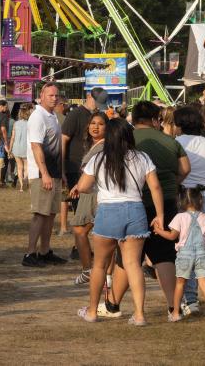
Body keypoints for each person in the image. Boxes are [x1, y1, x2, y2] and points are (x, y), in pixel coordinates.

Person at [71, 119, 163, 325]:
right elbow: (155, 187)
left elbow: (83, 186)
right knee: (133, 265)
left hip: (108, 211)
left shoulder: (99, 158)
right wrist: (160, 214)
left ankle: (93, 311)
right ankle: (139, 314)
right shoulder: (142, 158)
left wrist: (96, 188)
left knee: (100, 265)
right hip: (135, 210)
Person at [108, 101, 190, 319]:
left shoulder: (130, 140)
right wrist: (173, 182)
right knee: (164, 254)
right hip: (167, 201)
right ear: (155, 120)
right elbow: (185, 168)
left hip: (135, 201)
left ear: (134, 120)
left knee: (128, 256)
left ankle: (112, 303)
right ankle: (174, 307)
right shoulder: (170, 141)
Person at [174, 105, 205, 312]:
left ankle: (190, 298)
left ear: (179, 124)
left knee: (186, 249)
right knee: (203, 248)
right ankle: (204, 292)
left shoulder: (177, 143)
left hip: (185, 198)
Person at [152, 186, 205, 324]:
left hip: (185, 256)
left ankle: (176, 313)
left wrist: (159, 231)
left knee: (180, 284)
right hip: (202, 254)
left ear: (181, 202)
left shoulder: (180, 217)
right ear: (200, 201)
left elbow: (172, 236)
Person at [22, 83, 68, 267]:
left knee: (50, 214)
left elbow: (57, 147)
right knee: (40, 214)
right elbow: (36, 146)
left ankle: (45, 251)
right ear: (41, 95)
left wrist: (61, 172)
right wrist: (45, 174)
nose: (54, 98)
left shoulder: (53, 117)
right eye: (50, 95)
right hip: (42, 174)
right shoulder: (37, 116)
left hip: (54, 172)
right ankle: (30, 254)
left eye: (56, 95)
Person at [60, 88, 109, 234]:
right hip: (76, 168)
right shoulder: (75, 115)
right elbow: (63, 140)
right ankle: (78, 245)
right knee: (79, 208)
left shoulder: (96, 116)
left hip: (93, 169)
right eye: (97, 102)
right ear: (88, 96)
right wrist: (62, 168)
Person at [72, 112, 106, 285]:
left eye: (100, 124)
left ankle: (89, 270)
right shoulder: (93, 145)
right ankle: (92, 270)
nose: (95, 127)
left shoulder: (102, 146)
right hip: (88, 191)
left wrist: (80, 185)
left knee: (81, 230)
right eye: (93, 123)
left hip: (95, 193)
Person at [9, 104, 33, 192]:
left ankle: (21, 186)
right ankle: (26, 180)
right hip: (26, 147)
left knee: (19, 167)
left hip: (16, 147)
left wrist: (10, 149)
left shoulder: (15, 123)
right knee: (27, 167)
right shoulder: (30, 124)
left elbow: (12, 137)